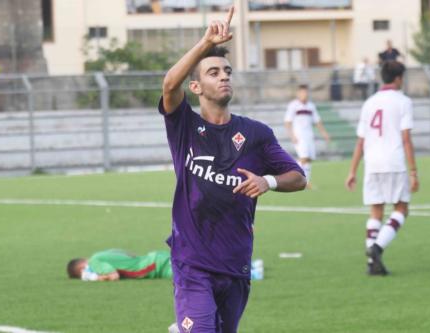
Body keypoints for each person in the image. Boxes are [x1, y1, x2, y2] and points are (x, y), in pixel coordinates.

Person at [160, 6, 306, 333]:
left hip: (236, 262)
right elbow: (170, 85)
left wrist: (268, 181)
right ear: (195, 87)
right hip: (192, 262)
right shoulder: (184, 126)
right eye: (213, 72)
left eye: (227, 70)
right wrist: (205, 42)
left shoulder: (256, 134)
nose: (224, 75)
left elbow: (299, 177)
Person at [345, 61, 419, 276]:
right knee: (401, 208)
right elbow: (406, 139)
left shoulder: (369, 103)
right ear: (398, 78)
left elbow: (360, 141)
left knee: (376, 211)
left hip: (372, 163)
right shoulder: (403, 102)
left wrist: (352, 171)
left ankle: (372, 264)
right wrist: (413, 172)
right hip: (394, 162)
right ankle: (376, 248)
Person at [284, 84, 331, 188]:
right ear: (298, 93)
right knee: (304, 158)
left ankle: (305, 182)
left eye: (306, 92)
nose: (304, 94)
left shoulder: (311, 106)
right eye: (302, 92)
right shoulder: (293, 105)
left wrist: (324, 133)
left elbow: (317, 121)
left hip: (309, 136)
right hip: (299, 136)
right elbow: (287, 122)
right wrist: (292, 136)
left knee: (308, 159)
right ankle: (292, 175)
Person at [67, 249, 172, 281]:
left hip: (158, 267)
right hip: (157, 258)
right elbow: (130, 254)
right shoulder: (100, 254)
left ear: (81, 269)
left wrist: (94, 277)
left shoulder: (94, 262)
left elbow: (114, 276)